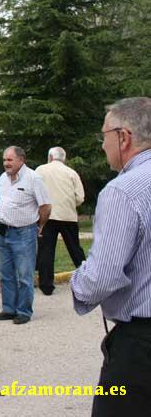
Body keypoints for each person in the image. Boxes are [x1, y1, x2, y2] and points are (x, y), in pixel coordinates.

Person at [71, 97, 151, 416]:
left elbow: (101, 278)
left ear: (123, 137)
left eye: (104, 135)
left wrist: (78, 284)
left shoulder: (123, 191)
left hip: (141, 347)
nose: (102, 144)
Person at [0, 146, 51, 325]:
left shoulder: (33, 178)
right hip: (4, 232)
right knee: (6, 274)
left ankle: (24, 311)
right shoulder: (3, 178)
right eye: (4, 160)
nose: (6, 163)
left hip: (24, 232)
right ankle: (9, 309)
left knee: (24, 275)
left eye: (9, 160)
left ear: (21, 160)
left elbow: (45, 206)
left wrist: (39, 225)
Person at [35, 146, 86, 296]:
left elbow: (34, 191)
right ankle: (86, 279)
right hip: (68, 216)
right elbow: (80, 197)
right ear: (64, 158)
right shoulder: (72, 173)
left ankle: (46, 286)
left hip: (47, 215)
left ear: (50, 157)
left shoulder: (40, 170)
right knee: (75, 249)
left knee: (46, 251)